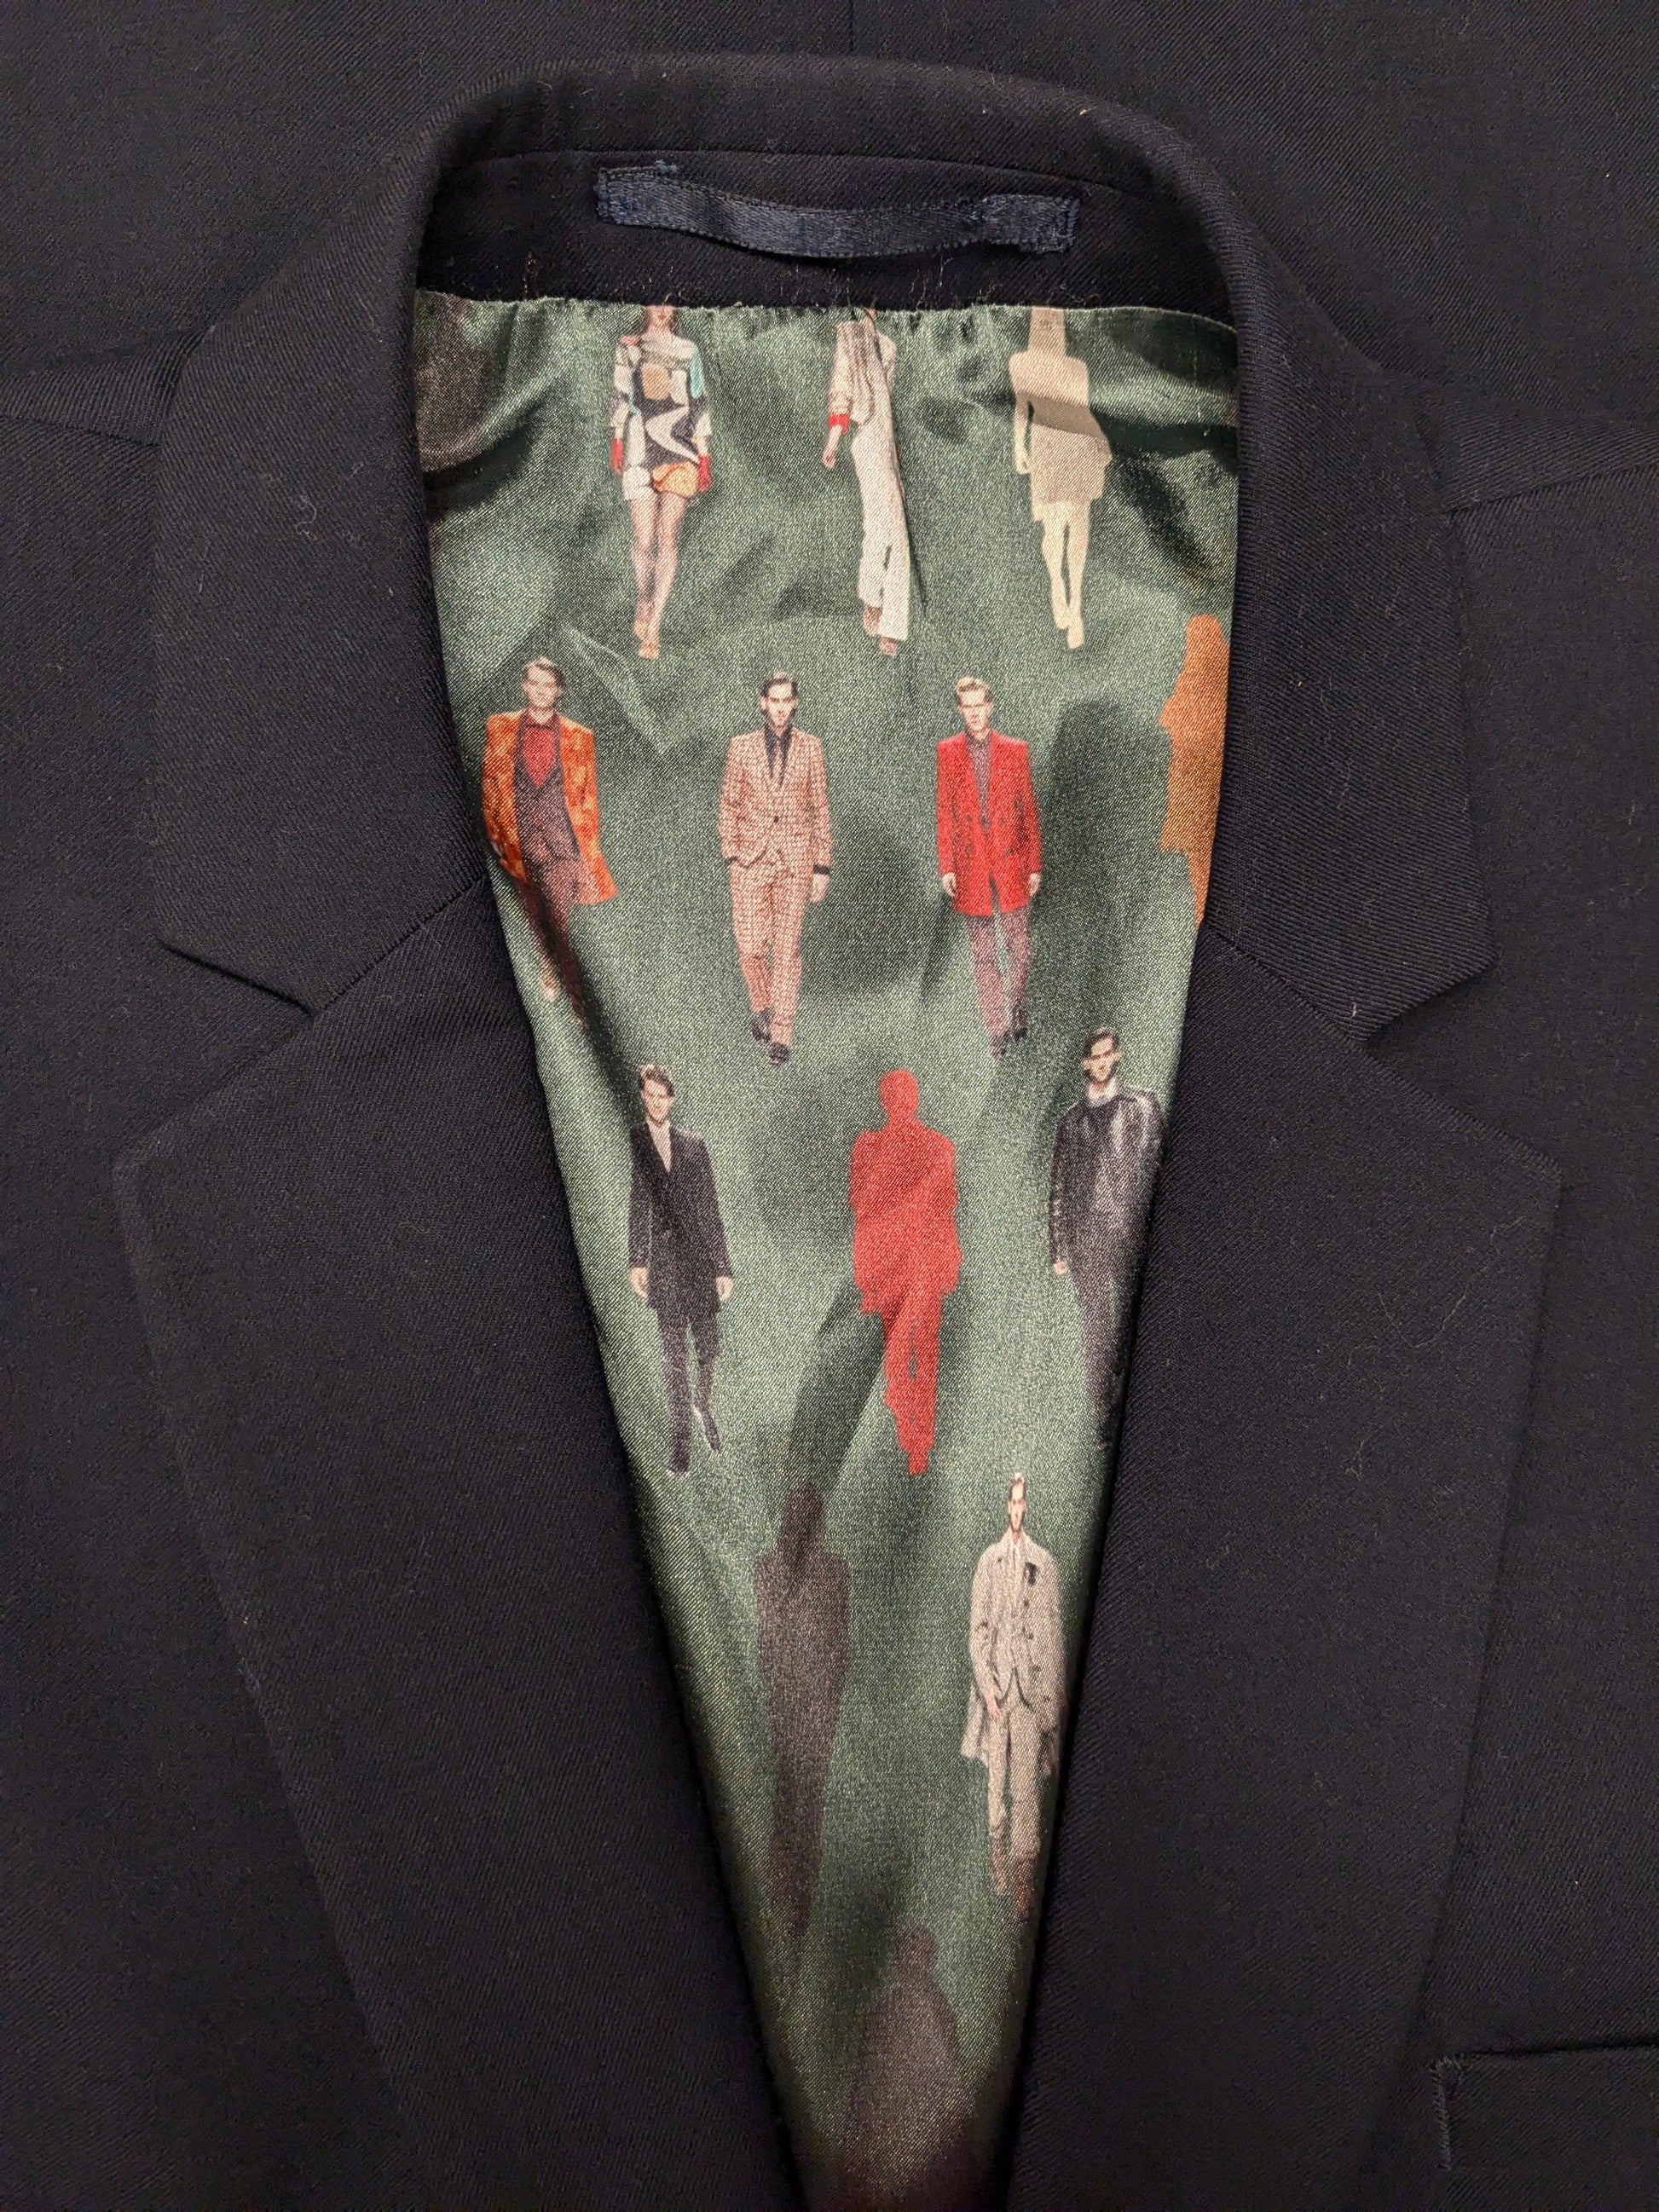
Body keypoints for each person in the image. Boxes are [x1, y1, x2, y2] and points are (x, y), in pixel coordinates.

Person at [480, 658, 616, 1016]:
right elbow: (491, 782)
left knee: (559, 920)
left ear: (559, 691)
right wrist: (495, 833)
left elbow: (587, 796)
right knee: (531, 915)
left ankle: (568, 995)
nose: (541, 691)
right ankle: (545, 968)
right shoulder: (501, 727)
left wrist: (587, 847)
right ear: (524, 686)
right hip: (519, 841)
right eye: (535, 684)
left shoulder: (579, 736)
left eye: (549, 685)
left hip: (561, 845)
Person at [753, 1484, 851, 1970]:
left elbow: (841, 1649)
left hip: (815, 1712)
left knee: (807, 1805)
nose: (804, 1523)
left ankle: (799, 1903)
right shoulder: (767, 1571)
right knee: (788, 1801)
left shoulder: (834, 1574)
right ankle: (780, 1897)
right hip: (782, 1708)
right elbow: (764, 1642)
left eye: (810, 1514)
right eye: (798, 1513)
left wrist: (826, 1707)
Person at [962, 1473, 1066, 1923]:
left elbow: (1054, 1638)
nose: (1018, 1509)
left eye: (1024, 1502)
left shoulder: (1044, 1564)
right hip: (997, 1695)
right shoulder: (989, 1562)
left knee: (1025, 1792)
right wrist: (987, 1687)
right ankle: (998, 1859)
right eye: (1014, 1502)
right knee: (996, 1794)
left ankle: (1024, 1878)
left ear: (1028, 1508)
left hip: (1027, 1696)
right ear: (1006, 1506)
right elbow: (978, 1631)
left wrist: (1050, 1701)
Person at [1049, 1028, 1165, 1424]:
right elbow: (1060, 1186)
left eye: (1107, 1055)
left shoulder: (1142, 1107)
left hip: (1130, 1237)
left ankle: (1137, 1412)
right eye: (1094, 1057)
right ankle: (1103, 1421)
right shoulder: (1071, 1122)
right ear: (1085, 1063)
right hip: (1087, 1243)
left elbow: (1158, 1170)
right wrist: (1058, 1247)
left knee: (1133, 1321)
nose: (1101, 1063)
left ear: (1116, 1056)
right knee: (1096, 1331)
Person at [849, 1071, 960, 1475]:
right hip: (889, 1264)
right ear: (886, 1102)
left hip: (924, 1262)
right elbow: (861, 1207)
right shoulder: (868, 1147)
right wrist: (867, 1270)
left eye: (906, 1094)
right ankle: (904, 1419)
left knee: (925, 1352)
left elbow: (946, 1207)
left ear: (914, 1099)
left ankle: (920, 1442)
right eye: (894, 1096)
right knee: (896, 1358)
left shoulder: (938, 1146)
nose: (901, 1102)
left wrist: (949, 1259)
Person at [719, 673, 832, 1066]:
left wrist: (822, 866)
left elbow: (820, 807)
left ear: (795, 703)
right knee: (750, 945)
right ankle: (762, 1002)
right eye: (775, 700)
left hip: (795, 862)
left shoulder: (811, 748)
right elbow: (729, 803)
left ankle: (782, 1032)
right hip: (750, 860)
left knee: (787, 950)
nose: (781, 708)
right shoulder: (741, 747)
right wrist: (732, 855)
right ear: (762, 703)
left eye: (787, 700)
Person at [627, 1065, 733, 1476]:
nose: (656, 1103)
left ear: (672, 1100)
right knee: (674, 1359)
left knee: (708, 1347)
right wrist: (638, 1259)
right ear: (643, 1097)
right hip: (665, 1267)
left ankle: (703, 1403)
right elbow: (639, 1202)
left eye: (663, 1096)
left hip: (700, 1263)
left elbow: (710, 1209)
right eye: (650, 1096)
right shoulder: (638, 1142)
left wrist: (722, 1266)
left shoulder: (694, 1146)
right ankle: (681, 1443)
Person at [935, 677, 1042, 1056]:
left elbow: (1028, 810)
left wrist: (1034, 865)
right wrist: (947, 865)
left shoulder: (1015, 750)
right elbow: (945, 813)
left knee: (1021, 949)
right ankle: (997, 1029)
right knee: (983, 955)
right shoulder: (947, 751)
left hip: (1011, 861)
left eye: (980, 705)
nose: (975, 713)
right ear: (960, 710)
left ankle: (1018, 1006)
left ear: (990, 706)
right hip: (971, 865)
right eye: (968, 707)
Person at [610, 303, 711, 660]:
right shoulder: (630, 347)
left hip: (680, 449)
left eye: (668, 303)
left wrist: (704, 456)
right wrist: (617, 438)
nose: (662, 310)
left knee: (669, 536)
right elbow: (621, 393)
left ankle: (655, 622)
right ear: (645, 305)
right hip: (641, 445)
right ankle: (644, 598)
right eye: (655, 301)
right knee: (644, 538)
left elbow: (698, 403)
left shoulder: (688, 350)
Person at [1009, 304, 1111, 650]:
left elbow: (1082, 408)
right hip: (1047, 448)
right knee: (1053, 531)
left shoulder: (1077, 367)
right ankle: (1056, 581)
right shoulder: (1022, 363)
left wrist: (1097, 444)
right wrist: (1018, 445)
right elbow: (1021, 408)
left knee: (1078, 529)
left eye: (1056, 322)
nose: (1051, 328)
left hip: (1078, 446)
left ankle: (1077, 607)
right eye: (1044, 322)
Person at [822, 308, 910, 654]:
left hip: (888, 445)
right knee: (878, 528)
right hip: (867, 441)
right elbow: (841, 386)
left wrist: (896, 458)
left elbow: (890, 407)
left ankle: (892, 624)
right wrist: (834, 439)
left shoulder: (888, 346)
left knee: (899, 536)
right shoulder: (849, 334)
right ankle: (872, 597)